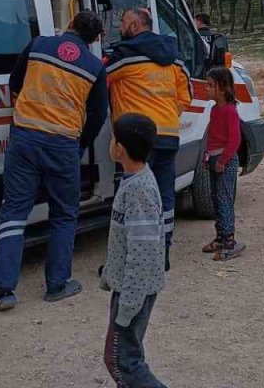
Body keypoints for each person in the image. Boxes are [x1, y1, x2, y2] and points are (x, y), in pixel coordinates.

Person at [0, 11, 108, 312]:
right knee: (64, 214)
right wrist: (79, 143)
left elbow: (14, 81)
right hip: (63, 144)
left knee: (14, 211)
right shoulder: (95, 67)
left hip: (25, 138)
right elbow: (98, 115)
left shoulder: (38, 45)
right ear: (94, 39)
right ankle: (57, 285)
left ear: (70, 25)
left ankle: (4, 290)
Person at [106, 8, 192, 268]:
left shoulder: (124, 57)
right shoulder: (175, 59)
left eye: (122, 22)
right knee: (164, 198)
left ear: (134, 26)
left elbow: (99, 80)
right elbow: (185, 95)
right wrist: (166, 116)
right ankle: (161, 254)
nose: (120, 27)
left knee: (131, 199)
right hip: (168, 134)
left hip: (136, 138)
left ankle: (125, 259)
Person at [100, 113, 168, 388]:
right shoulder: (133, 181)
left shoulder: (140, 190)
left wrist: (128, 304)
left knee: (122, 362)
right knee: (125, 357)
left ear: (120, 149)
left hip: (134, 292)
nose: (110, 141)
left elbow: (142, 253)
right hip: (128, 288)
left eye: (113, 136)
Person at [201, 66, 244, 261]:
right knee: (216, 199)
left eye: (211, 86)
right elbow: (212, 136)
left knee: (225, 199)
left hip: (225, 161)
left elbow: (235, 140)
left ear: (224, 87)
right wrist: (207, 156)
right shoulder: (214, 110)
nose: (207, 89)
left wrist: (223, 160)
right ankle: (220, 237)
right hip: (215, 158)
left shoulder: (229, 111)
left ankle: (230, 241)